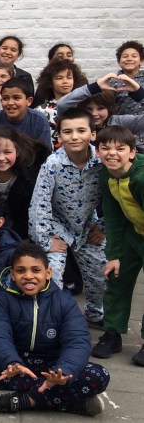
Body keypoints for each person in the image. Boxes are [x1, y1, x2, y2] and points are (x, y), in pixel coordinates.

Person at [0, 243, 108, 416]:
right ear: (12, 274)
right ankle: (70, 404)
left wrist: (63, 372)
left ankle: (22, 401)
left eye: (36, 270)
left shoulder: (64, 302)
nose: (28, 276)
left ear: (48, 273)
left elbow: (78, 341)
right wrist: (11, 362)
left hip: (53, 366)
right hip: (19, 365)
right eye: (21, 271)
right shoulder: (2, 299)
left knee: (99, 374)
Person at [29, 108, 106, 325]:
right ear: (60, 135)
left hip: (89, 226)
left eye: (81, 131)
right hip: (57, 226)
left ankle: (95, 314)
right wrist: (45, 239)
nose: (74, 137)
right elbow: (39, 203)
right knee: (52, 273)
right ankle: (50, 319)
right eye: (67, 132)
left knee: (100, 271)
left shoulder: (102, 161)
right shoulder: (52, 164)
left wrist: (103, 227)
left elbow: (115, 199)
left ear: (92, 134)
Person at [91, 126, 144, 362]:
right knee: (116, 277)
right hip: (133, 233)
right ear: (98, 152)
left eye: (120, 149)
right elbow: (113, 215)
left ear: (132, 152)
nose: (112, 153)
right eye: (105, 148)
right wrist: (113, 255)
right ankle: (112, 333)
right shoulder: (107, 175)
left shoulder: (141, 177)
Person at [0, 77, 53, 154]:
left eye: (16, 98)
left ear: (29, 101)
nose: (10, 103)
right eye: (5, 98)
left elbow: (44, 153)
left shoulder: (39, 120)